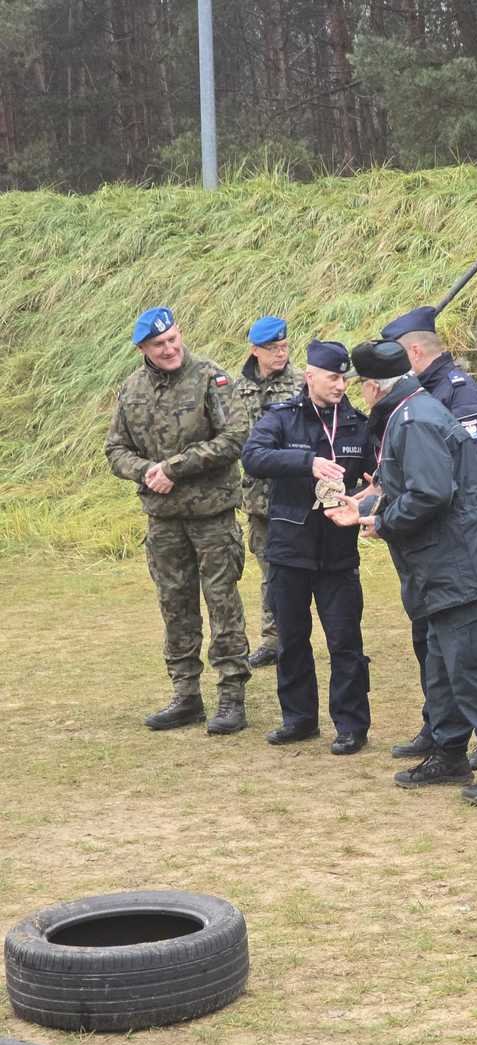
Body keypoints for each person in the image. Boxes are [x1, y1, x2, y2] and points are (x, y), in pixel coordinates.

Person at [325, 338, 477, 806]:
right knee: (443, 668)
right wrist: (366, 504)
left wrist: (382, 522)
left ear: (373, 387)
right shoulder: (410, 412)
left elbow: (431, 494)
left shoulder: (414, 420)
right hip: (442, 568)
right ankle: (449, 751)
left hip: (461, 568)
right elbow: (410, 484)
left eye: (360, 386)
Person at [105, 306, 251, 734]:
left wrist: (175, 468)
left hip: (212, 515)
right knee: (175, 604)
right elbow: (115, 449)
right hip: (164, 520)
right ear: (143, 349)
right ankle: (186, 694)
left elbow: (235, 437)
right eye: (158, 344)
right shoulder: (131, 389)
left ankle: (231, 694)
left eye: (172, 339)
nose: (169, 349)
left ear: (180, 334)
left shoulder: (210, 378)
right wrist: (145, 471)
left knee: (222, 602)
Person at [241, 339, 372, 755]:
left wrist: (365, 501)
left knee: (345, 641)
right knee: (292, 638)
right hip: (289, 546)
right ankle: (298, 718)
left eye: (345, 379)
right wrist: (306, 463)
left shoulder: (357, 423)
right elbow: (253, 457)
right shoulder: (282, 418)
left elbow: (379, 476)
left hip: (338, 550)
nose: (341, 386)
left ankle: (351, 725)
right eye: (333, 378)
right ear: (310, 376)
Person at [379, 305, 477, 766]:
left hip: (456, 543)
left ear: (412, 352)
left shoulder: (458, 394)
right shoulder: (414, 398)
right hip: (422, 543)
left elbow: (472, 471)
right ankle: (441, 728)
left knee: (471, 647)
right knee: (429, 641)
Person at [233, 316, 305, 668]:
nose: (281, 353)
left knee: (305, 570)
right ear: (255, 351)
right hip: (258, 499)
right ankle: (274, 638)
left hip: (297, 496)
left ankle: (300, 634)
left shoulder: (302, 384)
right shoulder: (236, 390)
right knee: (270, 571)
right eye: (273, 348)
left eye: (284, 346)